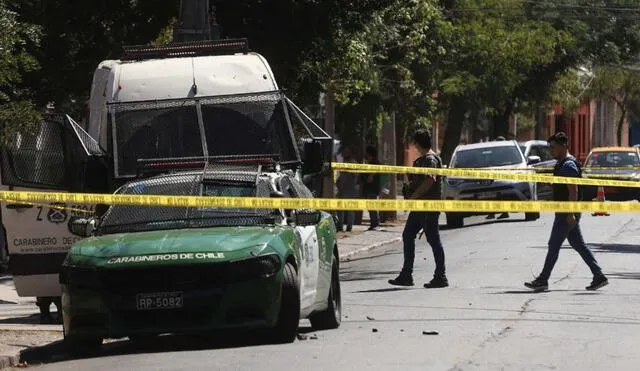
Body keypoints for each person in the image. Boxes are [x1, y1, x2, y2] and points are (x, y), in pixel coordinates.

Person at [525, 132, 608, 291]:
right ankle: (599, 275)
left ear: (563, 146)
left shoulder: (568, 165)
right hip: (567, 211)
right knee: (579, 245)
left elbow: (573, 191)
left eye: (553, 147)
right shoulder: (562, 163)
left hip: (567, 212)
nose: (551, 151)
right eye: (549, 147)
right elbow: (563, 187)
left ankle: (543, 279)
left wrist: (570, 213)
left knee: (553, 245)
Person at [389, 128, 448, 288]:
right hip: (420, 208)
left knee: (434, 239)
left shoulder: (430, 159)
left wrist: (414, 196)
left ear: (416, 144)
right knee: (408, 235)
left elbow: (430, 180)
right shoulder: (424, 159)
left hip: (428, 207)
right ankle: (406, 275)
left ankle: (440, 276)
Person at [336, 146, 359, 232]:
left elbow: (354, 176)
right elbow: (341, 175)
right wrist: (338, 183)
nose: (344, 153)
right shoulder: (343, 162)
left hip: (350, 189)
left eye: (346, 151)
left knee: (350, 209)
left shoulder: (353, 163)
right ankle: (340, 226)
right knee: (340, 209)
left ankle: (349, 226)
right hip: (342, 189)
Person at [487, 135, 509, 220]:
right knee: (494, 194)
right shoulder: (502, 151)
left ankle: (500, 212)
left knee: (499, 194)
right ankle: (494, 213)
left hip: (501, 175)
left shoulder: (501, 151)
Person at [360, 145, 381, 230]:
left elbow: (370, 178)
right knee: (370, 206)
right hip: (370, 188)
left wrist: (369, 176)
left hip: (372, 188)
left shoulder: (375, 163)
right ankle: (374, 221)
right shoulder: (371, 162)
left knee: (371, 206)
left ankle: (374, 222)